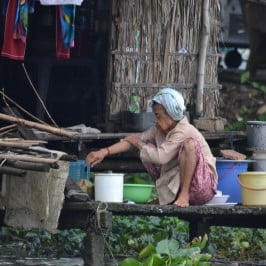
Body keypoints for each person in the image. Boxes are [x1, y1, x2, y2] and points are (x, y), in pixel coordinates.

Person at [86, 88, 218, 207]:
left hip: (202, 187)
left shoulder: (183, 130)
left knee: (189, 145)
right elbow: (134, 140)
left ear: (171, 114)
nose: (156, 120)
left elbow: (160, 157)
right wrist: (104, 152)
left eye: (158, 115)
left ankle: (183, 195)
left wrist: (139, 144)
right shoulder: (159, 129)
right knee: (147, 148)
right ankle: (169, 198)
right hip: (184, 186)